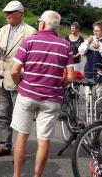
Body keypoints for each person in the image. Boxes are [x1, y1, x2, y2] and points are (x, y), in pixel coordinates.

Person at [11, 10, 74, 177]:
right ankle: (37, 176)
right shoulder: (65, 45)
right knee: (44, 140)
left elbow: (14, 71)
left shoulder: (29, 41)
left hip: (27, 94)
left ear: (43, 23)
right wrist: (59, 85)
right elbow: (70, 77)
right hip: (51, 98)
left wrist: (20, 85)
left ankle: (16, 175)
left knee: (21, 136)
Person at [0, 0, 36, 157]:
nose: (6, 15)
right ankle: (5, 145)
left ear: (20, 13)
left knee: (20, 116)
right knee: (3, 114)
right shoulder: (2, 30)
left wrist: (24, 73)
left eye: (10, 12)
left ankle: (18, 148)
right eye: (5, 12)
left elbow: (33, 58)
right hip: (2, 78)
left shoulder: (30, 31)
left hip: (19, 80)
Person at [78, 21, 102, 117]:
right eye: (94, 30)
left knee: (99, 101)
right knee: (89, 99)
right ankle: (90, 121)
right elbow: (81, 52)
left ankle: (98, 121)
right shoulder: (90, 39)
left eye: (98, 31)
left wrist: (100, 47)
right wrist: (87, 42)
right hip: (89, 73)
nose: (95, 33)